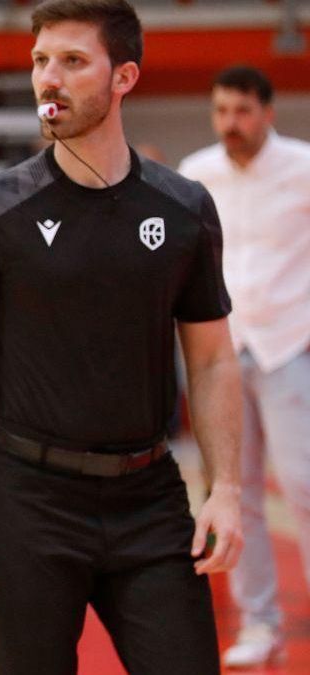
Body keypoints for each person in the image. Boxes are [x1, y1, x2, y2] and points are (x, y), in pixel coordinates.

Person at [0, 1, 244, 673]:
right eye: (40, 60)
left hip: (150, 498)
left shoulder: (186, 210)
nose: (49, 80)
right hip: (28, 501)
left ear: (124, 77)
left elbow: (210, 359)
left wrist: (228, 487)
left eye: (72, 61)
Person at [179, 65, 310, 669]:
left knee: (306, 488)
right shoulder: (197, 175)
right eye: (221, 111)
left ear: (267, 113)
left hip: (290, 348)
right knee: (236, 493)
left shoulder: (304, 169)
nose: (231, 123)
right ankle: (259, 621)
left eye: (242, 112)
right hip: (223, 355)